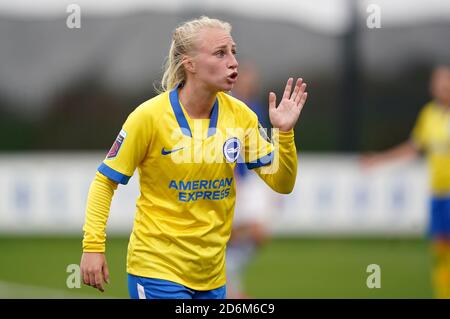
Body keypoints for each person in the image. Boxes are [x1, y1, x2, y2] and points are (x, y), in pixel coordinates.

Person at [80, 16, 308, 299]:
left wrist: (284, 135)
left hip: (212, 277)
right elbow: (105, 182)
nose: (233, 62)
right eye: (220, 53)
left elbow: (282, 183)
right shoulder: (148, 117)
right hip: (156, 270)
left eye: (233, 52)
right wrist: (92, 246)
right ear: (189, 64)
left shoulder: (242, 117)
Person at [361, 65, 450, 298]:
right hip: (438, 194)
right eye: (438, 81)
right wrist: (379, 159)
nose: (443, 85)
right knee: (440, 252)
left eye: (446, 80)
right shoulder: (429, 114)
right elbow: (413, 148)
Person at [226, 62, 276, 298]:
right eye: (245, 79)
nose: (249, 84)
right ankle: (230, 286)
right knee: (227, 232)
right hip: (232, 179)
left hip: (252, 179)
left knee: (258, 233)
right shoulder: (228, 107)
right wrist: (232, 176)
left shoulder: (255, 108)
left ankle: (229, 277)